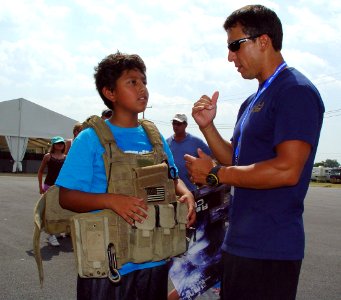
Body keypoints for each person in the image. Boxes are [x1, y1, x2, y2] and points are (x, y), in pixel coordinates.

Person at [184, 5, 324, 300]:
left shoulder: (295, 91)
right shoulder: (251, 101)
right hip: (240, 243)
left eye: (235, 46)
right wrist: (208, 128)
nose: (230, 57)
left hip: (270, 249)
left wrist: (214, 175)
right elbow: (235, 158)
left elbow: (287, 170)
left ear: (263, 41)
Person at [56, 51, 196, 300]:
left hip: (154, 260)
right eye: (132, 82)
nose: (142, 88)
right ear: (110, 93)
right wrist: (110, 200)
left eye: (144, 81)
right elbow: (66, 197)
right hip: (109, 267)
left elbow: (172, 179)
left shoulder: (155, 137)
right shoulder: (90, 139)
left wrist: (186, 195)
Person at [167, 113, 212, 192]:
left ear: (185, 125)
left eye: (179, 124)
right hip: (171, 191)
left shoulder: (196, 142)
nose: (176, 126)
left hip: (191, 190)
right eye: (174, 123)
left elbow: (211, 158)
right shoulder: (167, 143)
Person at [37, 136, 66, 247]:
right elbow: (40, 172)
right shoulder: (47, 157)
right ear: (53, 144)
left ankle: (55, 230)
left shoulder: (66, 157)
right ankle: (51, 235)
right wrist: (40, 187)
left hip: (60, 187)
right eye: (58, 143)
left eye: (62, 143)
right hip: (49, 186)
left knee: (58, 210)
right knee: (49, 210)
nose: (60, 145)